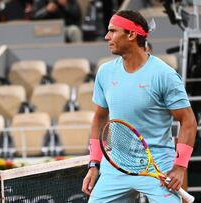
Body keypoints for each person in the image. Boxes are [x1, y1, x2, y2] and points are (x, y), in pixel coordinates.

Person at [81, 10, 197, 202]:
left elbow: (188, 121)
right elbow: (100, 118)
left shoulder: (164, 75)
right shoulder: (104, 72)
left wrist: (180, 167)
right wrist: (94, 164)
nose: (106, 36)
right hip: (117, 165)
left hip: (158, 164)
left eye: (112, 31)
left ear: (132, 35)